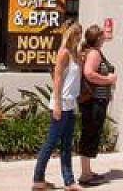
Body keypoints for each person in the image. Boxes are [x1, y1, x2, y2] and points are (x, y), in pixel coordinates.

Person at [32, 21, 84, 191]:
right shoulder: (63, 53)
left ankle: (69, 182)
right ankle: (38, 179)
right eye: (75, 33)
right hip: (61, 104)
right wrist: (57, 105)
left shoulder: (75, 54)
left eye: (80, 33)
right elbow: (58, 79)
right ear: (69, 35)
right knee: (50, 143)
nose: (79, 37)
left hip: (70, 104)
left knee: (67, 145)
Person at [77, 24, 117, 186]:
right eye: (102, 34)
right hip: (93, 101)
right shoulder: (93, 53)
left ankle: (87, 171)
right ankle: (85, 175)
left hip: (96, 100)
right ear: (98, 37)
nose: (105, 36)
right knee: (90, 134)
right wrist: (108, 79)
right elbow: (89, 73)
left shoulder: (94, 51)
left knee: (91, 133)